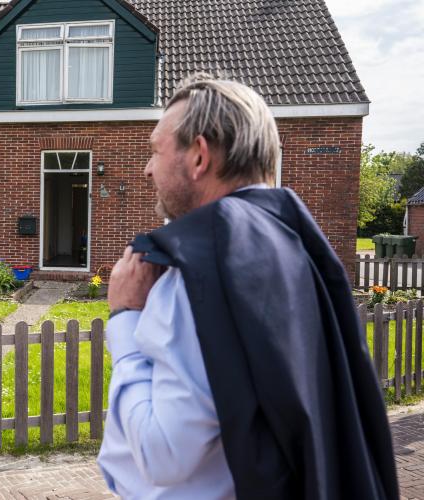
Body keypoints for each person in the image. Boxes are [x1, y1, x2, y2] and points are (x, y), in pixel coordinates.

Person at [97, 74, 398, 499]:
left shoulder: (200, 270)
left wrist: (126, 317)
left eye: (155, 151)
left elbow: (162, 452)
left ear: (199, 156)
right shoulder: (296, 248)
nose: (147, 169)